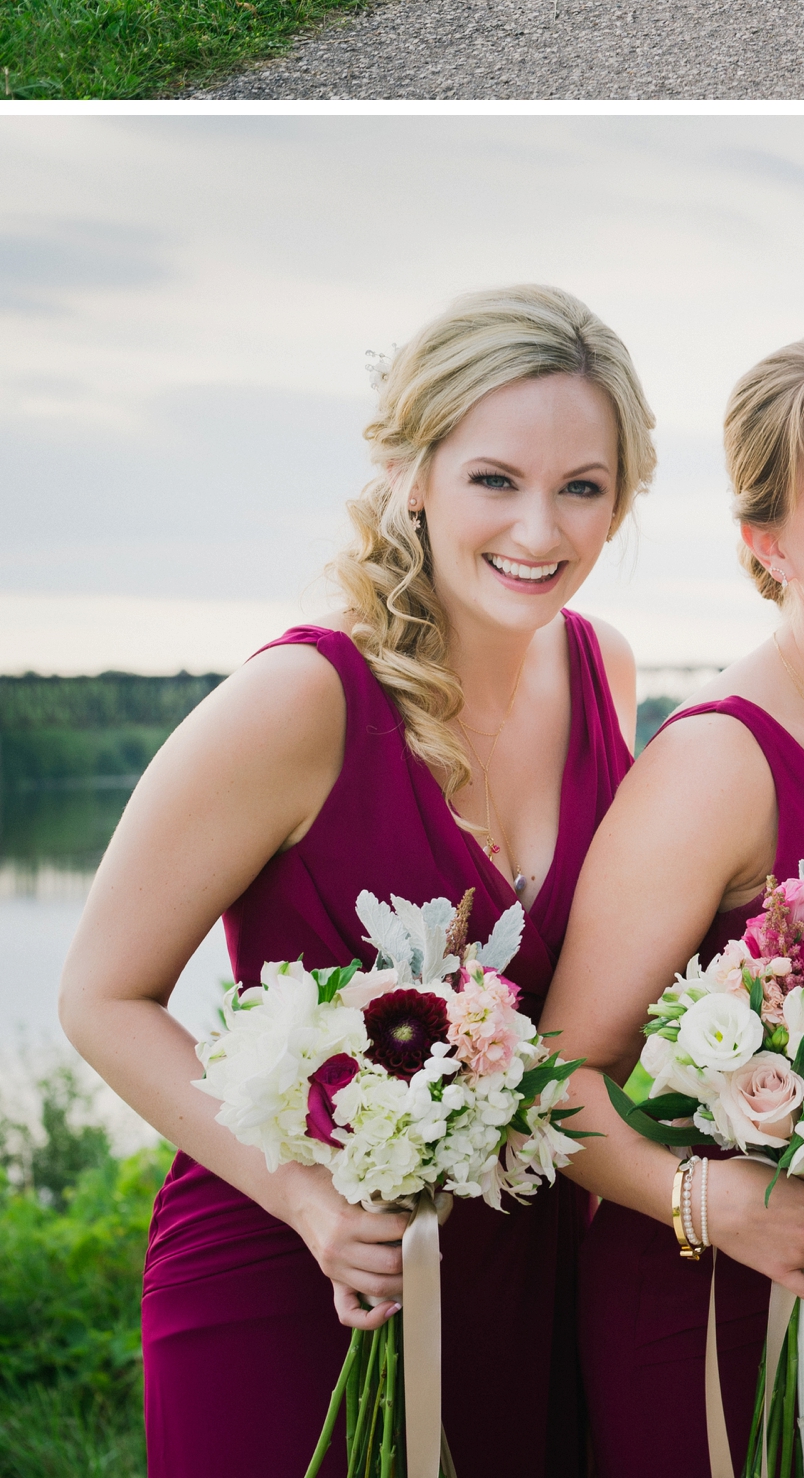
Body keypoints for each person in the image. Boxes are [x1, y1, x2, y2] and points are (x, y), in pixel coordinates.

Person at [60, 286, 653, 1478]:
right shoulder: (299, 700)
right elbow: (101, 996)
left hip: (517, 1265)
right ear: (409, 470)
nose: (540, 529)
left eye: (582, 486)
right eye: (496, 478)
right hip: (297, 1269)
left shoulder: (604, 668)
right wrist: (310, 1200)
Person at [547, 339, 804, 1478]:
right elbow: (557, 1074)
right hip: (721, 1301)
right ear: (767, 543)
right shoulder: (717, 763)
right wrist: (706, 1198)